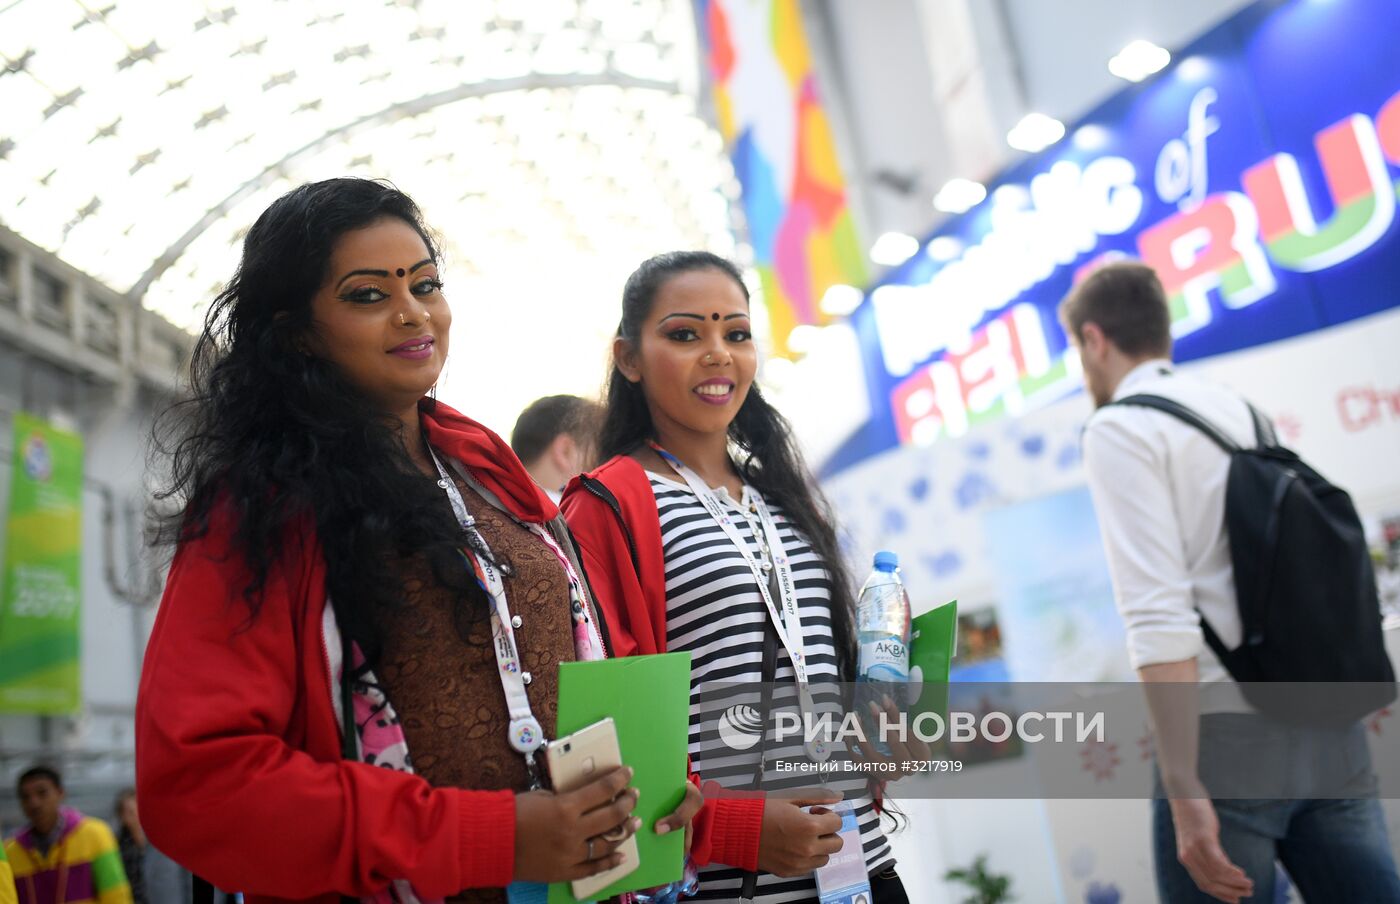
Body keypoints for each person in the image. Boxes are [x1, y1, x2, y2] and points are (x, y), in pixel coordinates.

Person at [135, 178, 701, 904]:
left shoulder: (490, 476)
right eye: (368, 295)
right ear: (298, 331)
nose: (413, 312)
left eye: (426, 284)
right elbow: (198, 787)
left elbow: (579, 669)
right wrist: (489, 836)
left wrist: (660, 787)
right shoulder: (260, 509)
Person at [562, 251, 917, 903]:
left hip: (864, 870)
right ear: (629, 358)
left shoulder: (779, 495)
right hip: (730, 889)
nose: (718, 353)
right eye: (684, 334)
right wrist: (728, 829)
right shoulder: (606, 504)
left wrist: (884, 732)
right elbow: (600, 729)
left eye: (736, 332)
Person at [1061, 261, 1400, 903]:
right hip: (1326, 721)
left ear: (1094, 340)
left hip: (1226, 740)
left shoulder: (1118, 428)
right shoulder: (1236, 410)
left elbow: (1158, 618)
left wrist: (1184, 781)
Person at [4, 765, 132, 904]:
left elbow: (116, 895)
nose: (34, 803)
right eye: (25, 797)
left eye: (42, 793)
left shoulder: (94, 834)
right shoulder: (11, 850)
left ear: (60, 793)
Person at [510, 395, 603, 502]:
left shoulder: (495, 505)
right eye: (601, 454)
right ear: (565, 451)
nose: (604, 468)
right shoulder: (576, 514)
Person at [114, 790, 189, 904]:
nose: (135, 816)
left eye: (137, 810)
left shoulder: (166, 842)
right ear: (123, 817)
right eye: (130, 812)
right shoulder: (119, 848)